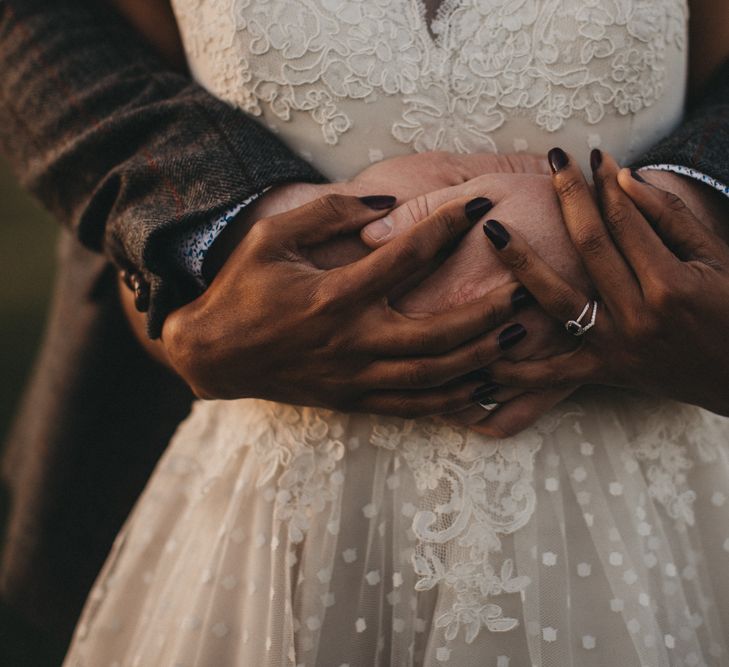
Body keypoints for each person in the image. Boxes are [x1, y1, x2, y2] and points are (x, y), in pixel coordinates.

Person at [53, 1, 729, 666]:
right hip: (284, 506)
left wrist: (645, 224)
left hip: (636, 509)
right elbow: (121, 129)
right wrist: (216, 280)